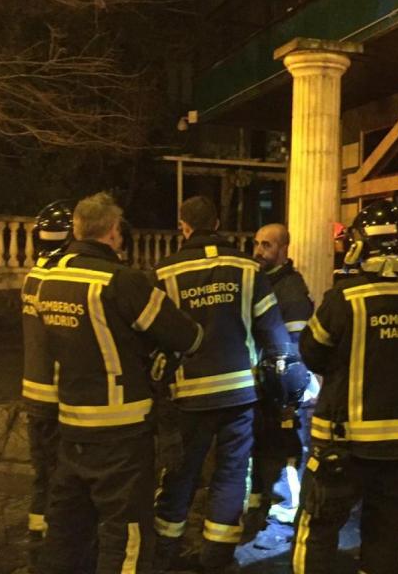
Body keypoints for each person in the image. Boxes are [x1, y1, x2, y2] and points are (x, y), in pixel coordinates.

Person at [35, 192, 204, 574]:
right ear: (113, 232)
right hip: (121, 433)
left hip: (72, 428)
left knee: (66, 532)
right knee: (126, 535)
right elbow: (188, 336)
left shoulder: (49, 280)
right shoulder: (121, 281)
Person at [293, 200, 398, 574]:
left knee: (319, 527)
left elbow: (311, 352)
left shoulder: (345, 297)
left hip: (345, 441)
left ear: (363, 244)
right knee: (385, 532)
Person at [153, 196, 291, 574]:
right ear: (217, 222)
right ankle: (216, 557)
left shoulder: (165, 272)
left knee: (182, 473)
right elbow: (274, 333)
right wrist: (291, 390)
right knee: (232, 473)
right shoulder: (248, 269)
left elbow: (154, 337)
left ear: (184, 227)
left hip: (189, 395)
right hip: (239, 393)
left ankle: (164, 551)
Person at [249, 223, 315, 550]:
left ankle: (291, 508)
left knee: (290, 447)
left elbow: (295, 346)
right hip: (263, 382)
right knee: (263, 445)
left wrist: (288, 391)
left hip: (284, 386)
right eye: (257, 244)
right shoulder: (262, 282)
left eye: (267, 245)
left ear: (283, 250)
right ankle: (260, 500)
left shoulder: (291, 291)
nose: (259, 251)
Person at [20, 200, 75, 571]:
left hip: (33, 392)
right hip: (57, 396)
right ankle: (56, 548)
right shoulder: (60, 283)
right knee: (61, 477)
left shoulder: (33, 276)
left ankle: (37, 539)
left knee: (43, 474)